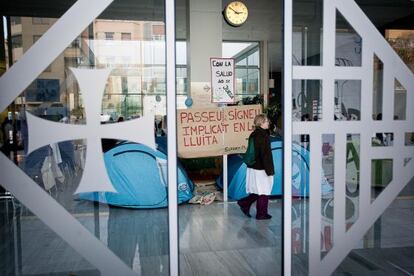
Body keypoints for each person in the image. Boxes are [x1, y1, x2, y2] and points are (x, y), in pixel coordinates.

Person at [238, 114, 275, 220]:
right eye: (267, 121)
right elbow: (265, 155)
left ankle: (245, 204)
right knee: (264, 191)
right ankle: (261, 213)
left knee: (258, 190)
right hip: (261, 168)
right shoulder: (262, 136)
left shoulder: (254, 134)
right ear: (261, 122)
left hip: (254, 166)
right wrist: (269, 170)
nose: (268, 123)